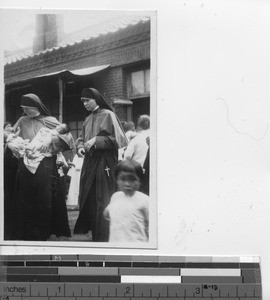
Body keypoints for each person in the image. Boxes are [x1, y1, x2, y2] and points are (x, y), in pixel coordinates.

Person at [6, 93, 75, 241]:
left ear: (36, 107)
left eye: (28, 108)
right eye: (23, 109)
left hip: (45, 165)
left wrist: (51, 138)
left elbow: (68, 138)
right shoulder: (22, 120)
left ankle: (44, 230)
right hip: (25, 163)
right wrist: (13, 140)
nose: (25, 112)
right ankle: (26, 230)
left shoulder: (50, 121)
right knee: (25, 198)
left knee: (43, 198)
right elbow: (10, 135)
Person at [73, 87, 128, 241]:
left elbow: (120, 140)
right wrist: (81, 147)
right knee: (90, 197)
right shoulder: (87, 119)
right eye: (83, 101)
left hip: (105, 162)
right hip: (89, 162)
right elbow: (81, 139)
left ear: (96, 99)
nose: (85, 104)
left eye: (87, 100)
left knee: (102, 197)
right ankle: (96, 234)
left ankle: (105, 234)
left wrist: (96, 141)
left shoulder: (109, 115)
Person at [103, 159, 149, 243]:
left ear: (140, 181)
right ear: (117, 180)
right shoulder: (116, 196)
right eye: (123, 179)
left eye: (132, 179)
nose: (127, 184)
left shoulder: (144, 200)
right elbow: (107, 213)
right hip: (116, 245)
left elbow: (150, 224)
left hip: (136, 246)